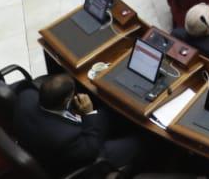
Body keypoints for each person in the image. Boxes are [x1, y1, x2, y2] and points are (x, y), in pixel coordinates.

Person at [12, 74, 142, 175]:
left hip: (41, 139)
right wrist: (89, 113)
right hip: (85, 160)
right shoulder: (65, 138)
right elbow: (92, 149)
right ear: (66, 101)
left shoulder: (25, 97)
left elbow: (22, 86)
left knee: (107, 113)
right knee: (139, 141)